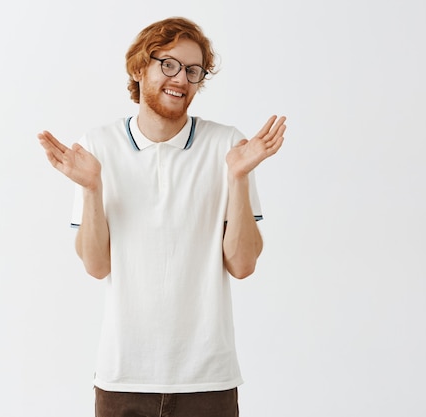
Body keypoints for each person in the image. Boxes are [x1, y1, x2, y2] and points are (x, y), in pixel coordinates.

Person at [37, 16, 286, 417]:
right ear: (139, 68)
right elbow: (96, 266)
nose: (181, 78)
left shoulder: (227, 146)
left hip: (209, 380)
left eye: (193, 70)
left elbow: (242, 265)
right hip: (124, 378)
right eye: (168, 64)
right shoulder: (97, 147)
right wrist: (92, 188)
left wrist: (238, 177)